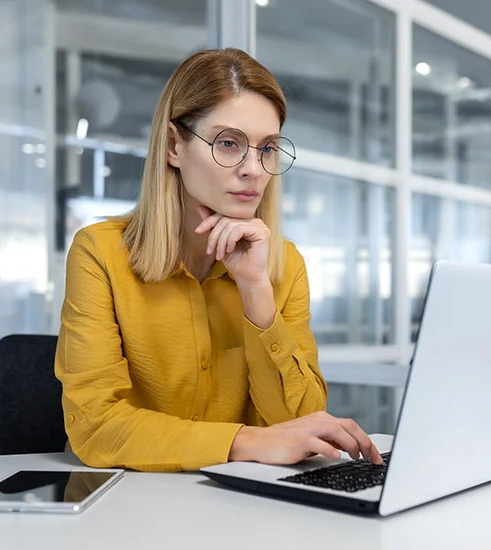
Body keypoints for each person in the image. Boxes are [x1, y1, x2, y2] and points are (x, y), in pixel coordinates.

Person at [55, 48, 382, 472]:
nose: (255, 170)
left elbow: (299, 426)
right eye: (229, 143)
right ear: (174, 145)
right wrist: (246, 441)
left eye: (268, 149)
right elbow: (97, 427)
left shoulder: (285, 265)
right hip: (130, 504)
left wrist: (255, 290)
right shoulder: (99, 254)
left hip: (243, 507)